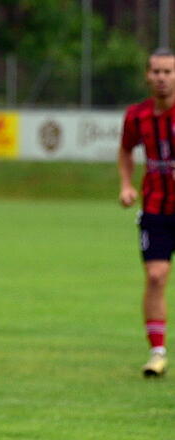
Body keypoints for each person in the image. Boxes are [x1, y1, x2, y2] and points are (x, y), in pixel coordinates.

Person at [119, 47, 175, 377]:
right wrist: (126, 184)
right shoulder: (137, 115)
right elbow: (126, 149)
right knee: (155, 277)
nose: (162, 78)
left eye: (168, 72)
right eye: (156, 72)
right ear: (147, 75)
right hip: (155, 208)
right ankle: (157, 352)